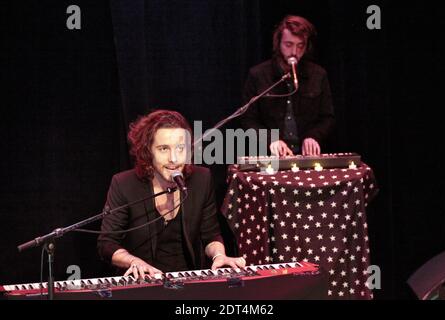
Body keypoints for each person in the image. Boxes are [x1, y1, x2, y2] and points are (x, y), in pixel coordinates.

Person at [97, 110, 245, 279]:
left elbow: (210, 234)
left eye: (180, 148)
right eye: (163, 149)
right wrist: (133, 261)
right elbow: (107, 243)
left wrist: (219, 255)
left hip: (189, 281)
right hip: (143, 283)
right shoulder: (124, 184)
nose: (173, 158)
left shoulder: (201, 179)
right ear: (148, 151)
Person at [241, 15, 335, 156]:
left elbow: (328, 117)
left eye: (300, 46)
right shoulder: (258, 74)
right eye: (288, 44)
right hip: (270, 157)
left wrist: (314, 136)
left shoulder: (318, 74)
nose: (294, 52)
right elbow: (248, 118)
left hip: (307, 157)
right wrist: (270, 140)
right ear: (278, 43)